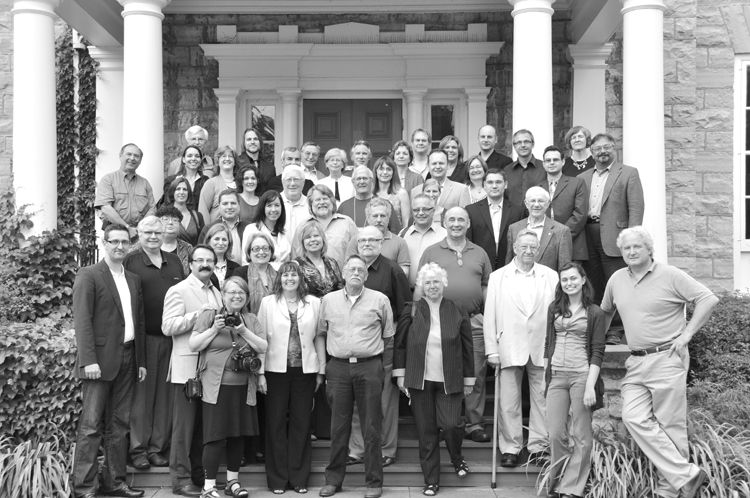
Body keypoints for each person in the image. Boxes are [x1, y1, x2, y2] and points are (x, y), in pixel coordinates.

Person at [600, 227, 718, 498]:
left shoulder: (671, 275)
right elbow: (606, 311)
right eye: (626, 248)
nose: (631, 252)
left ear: (648, 249)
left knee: (669, 425)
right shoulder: (617, 279)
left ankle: (670, 491)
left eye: (636, 247)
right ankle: (686, 475)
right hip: (636, 360)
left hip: (666, 357)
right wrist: (597, 343)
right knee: (632, 416)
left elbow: (708, 299)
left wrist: (687, 334)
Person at [72, 224, 147, 498]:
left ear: (130, 245)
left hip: (128, 358)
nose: (119, 246)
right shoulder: (89, 275)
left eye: (124, 241)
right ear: (104, 243)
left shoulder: (134, 279)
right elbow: (82, 321)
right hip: (99, 362)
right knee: (91, 426)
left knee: (120, 425)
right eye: (113, 241)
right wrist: (88, 360)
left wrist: (141, 361)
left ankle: (114, 482)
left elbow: (137, 321)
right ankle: (84, 488)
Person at [317, 255, 395, 498]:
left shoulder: (380, 300)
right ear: (343, 273)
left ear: (366, 275)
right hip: (338, 368)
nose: (356, 273)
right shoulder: (328, 301)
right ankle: (333, 481)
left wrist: (381, 365)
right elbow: (321, 332)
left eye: (361, 269)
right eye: (351, 269)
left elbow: (388, 337)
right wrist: (324, 366)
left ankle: (373, 483)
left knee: (371, 427)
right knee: (338, 428)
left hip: (370, 367)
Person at [393, 263, 475, 496]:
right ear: (421, 285)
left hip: (449, 379)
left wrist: (469, 379)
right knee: (426, 432)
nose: (432, 286)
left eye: (436, 281)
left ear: (444, 284)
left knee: (451, 425)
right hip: (420, 380)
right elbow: (399, 345)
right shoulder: (412, 309)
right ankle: (431, 481)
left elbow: (468, 347)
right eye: (427, 282)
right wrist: (400, 376)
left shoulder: (457, 309)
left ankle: (457, 457)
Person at [416, 207, 492, 443]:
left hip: (474, 320)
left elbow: (487, 286)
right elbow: (421, 287)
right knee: (441, 372)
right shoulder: (431, 251)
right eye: (451, 219)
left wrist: (489, 319)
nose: (456, 223)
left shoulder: (480, 252)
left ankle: (474, 424)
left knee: (476, 372)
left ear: (468, 223)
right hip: (439, 321)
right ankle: (443, 423)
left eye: (461, 219)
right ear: (444, 223)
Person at [484, 229, 559, 468]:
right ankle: (511, 447)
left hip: (542, 347)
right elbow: (490, 316)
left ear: (538, 250)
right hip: (508, 345)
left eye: (533, 247)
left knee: (542, 399)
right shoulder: (498, 276)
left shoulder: (551, 275)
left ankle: (538, 447)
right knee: (508, 401)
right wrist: (491, 350)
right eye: (524, 246)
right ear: (515, 247)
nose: (528, 251)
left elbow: (557, 313)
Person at [189, 276, 268, 498]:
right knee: (214, 437)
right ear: (222, 295)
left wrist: (243, 330)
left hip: (244, 388)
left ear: (246, 297)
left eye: (241, 293)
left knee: (238, 436)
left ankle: (232, 482)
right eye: (232, 292)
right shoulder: (210, 315)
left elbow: (263, 346)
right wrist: (214, 328)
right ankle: (208, 486)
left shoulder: (250, 319)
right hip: (215, 388)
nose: (236, 296)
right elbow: (194, 344)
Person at [346, 226, 411, 469]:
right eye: (363, 240)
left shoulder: (392, 270)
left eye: (373, 240)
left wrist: (397, 342)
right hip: (355, 347)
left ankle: (386, 449)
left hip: (385, 346)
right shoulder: (353, 268)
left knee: (384, 401)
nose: (367, 244)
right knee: (356, 400)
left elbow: (405, 308)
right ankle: (357, 449)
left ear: (382, 243)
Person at [258, 262, 325, 494]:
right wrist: (259, 373)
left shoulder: (314, 303)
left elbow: (319, 337)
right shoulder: (268, 303)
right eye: (285, 275)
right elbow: (260, 339)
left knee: (301, 424)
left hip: (305, 371)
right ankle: (277, 480)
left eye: (293, 275)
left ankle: (298, 479)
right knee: (275, 424)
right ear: (280, 278)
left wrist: (321, 370)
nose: (289, 278)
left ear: (300, 279)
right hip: (275, 370)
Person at [124, 216, 185, 472]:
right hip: (144, 339)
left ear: (164, 234)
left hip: (172, 339)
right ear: (138, 233)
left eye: (157, 232)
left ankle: (157, 449)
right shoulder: (131, 261)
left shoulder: (175, 262)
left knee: (165, 397)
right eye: (147, 232)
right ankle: (138, 451)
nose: (152, 236)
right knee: (142, 397)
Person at [162, 245, 223, 497]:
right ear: (191, 263)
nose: (205, 264)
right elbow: (168, 326)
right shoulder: (178, 290)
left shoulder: (217, 292)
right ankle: (181, 478)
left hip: (210, 371)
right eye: (200, 260)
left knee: (202, 428)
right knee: (184, 429)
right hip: (187, 370)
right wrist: (198, 315)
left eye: (210, 260)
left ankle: (199, 475)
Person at [543, 262, 605, 498]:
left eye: (572, 278)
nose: (568, 283)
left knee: (581, 435)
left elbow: (598, 351)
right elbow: (548, 344)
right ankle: (556, 484)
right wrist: (544, 377)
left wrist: (590, 385)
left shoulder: (594, 312)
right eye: (564, 279)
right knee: (555, 433)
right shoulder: (554, 308)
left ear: (582, 280)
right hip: (556, 376)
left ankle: (572, 489)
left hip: (581, 376)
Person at [579, 133, 645, 345]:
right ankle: (597, 329)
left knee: (616, 283)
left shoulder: (628, 173)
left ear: (614, 148)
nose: (602, 151)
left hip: (616, 237)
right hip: (587, 234)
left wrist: (631, 239)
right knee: (592, 284)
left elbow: (636, 206)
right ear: (591, 152)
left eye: (606, 147)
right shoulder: (583, 177)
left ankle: (615, 329)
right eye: (597, 148)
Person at [466, 168, 525, 271]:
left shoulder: (518, 211)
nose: (494, 186)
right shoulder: (471, 211)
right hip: (479, 266)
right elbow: (468, 241)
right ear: (484, 185)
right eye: (490, 182)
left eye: (498, 182)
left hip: (510, 266)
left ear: (505, 184)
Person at [95, 143, 155, 239]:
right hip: (114, 233)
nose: (132, 158)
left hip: (139, 234)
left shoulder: (145, 183)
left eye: (136, 156)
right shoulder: (108, 180)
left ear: (140, 161)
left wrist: (140, 228)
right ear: (120, 156)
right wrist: (127, 228)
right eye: (129, 154)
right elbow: (106, 208)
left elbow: (152, 208)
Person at [539, 146, 589, 263]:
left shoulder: (577, 183)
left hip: (573, 244)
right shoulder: (538, 187)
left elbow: (580, 214)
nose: (551, 163)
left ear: (563, 162)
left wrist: (561, 237)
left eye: (555, 160)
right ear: (543, 164)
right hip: (544, 246)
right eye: (548, 160)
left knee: (570, 281)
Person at [506, 187, 572, 272]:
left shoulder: (562, 231)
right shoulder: (514, 228)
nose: (536, 205)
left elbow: (565, 269)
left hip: (548, 283)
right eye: (533, 201)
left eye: (541, 201)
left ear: (547, 204)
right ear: (526, 204)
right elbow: (509, 263)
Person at [294, 184, 358, 270]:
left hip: (343, 279)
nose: (322, 202)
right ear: (311, 204)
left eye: (325, 199)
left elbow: (357, 251)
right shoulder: (303, 226)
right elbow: (295, 256)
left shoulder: (347, 223)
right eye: (317, 200)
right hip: (310, 280)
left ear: (332, 201)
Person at [344, 197, 411, 276]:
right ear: (368, 218)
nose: (379, 220)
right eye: (375, 216)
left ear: (388, 218)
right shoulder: (356, 240)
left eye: (383, 216)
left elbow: (404, 273)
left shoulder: (400, 242)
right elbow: (349, 269)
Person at [399, 194, 447, 289]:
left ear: (433, 211)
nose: (420, 213)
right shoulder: (403, 234)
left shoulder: (444, 235)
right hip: (408, 292)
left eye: (425, 209)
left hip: (435, 293)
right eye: (416, 210)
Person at [338, 166, 401, 233]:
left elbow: (395, 232)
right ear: (353, 182)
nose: (362, 182)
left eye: (365, 178)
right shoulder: (344, 207)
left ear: (372, 181)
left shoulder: (384, 204)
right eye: (358, 179)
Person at [293, 219, 346, 299]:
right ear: (302, 242)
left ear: (323, 239)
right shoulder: (296, 265)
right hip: (310, 309)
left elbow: (340, 288)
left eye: (316, 236)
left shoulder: (332, 262)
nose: (313, 240)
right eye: (308, 237)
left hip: (333, 309)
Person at [241, 190, 292, 269]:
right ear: (262, 208)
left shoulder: (285, 232)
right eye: (269, 205)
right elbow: (246, 261)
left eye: (277, 205)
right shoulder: (252, 229)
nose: (273, 209)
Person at [233, 232, 279, 315]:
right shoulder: (240, 273)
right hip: (247, 323)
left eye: (265, 248)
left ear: (271, 251)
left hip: (275, 322)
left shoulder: (279, 275)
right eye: (256, 249)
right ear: (249, 253)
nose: (261, 252)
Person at [199, 190, 250, 265]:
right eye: (225, 204)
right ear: (219, 207)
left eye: (233, 203)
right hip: (217, 272)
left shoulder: (249, 228)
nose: (229, 207)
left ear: (239, 206)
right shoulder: (209, 229)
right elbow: (200, 254)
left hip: (245, 273)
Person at [503, 130, 546, 207]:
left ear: (533, 144)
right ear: (514, 146)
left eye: (526, 142)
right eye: (519, 142)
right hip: (513, 218)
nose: (523, 145)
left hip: (538, 215)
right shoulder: (506, 171)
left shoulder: (544, 168)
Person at [163, 145, 210, 214]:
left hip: (199, 221)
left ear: (200, 160)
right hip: (176, 219)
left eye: (197, 156)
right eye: (189, 156)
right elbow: (168, 203)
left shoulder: (206, 181)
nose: (193, 158)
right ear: (183, 159)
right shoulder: (171, 180)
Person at [199, 145, 239, 224]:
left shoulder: (241, 184)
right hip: (217, 233)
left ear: (235, 162)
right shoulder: (211, 183)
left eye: (230, 156)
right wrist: (208, 232)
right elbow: (203, 213)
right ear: (217, 161)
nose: (227, 159)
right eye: (223, 156)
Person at [162, 176, 204, 246]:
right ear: (173, 192)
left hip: (193, 255)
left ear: (189, 193)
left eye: (185, 189)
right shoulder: (164, 215)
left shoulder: (197, 216)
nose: (181, 192)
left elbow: (202, 241)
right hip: (171, 255)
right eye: (178, 189)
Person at [372, 156, 411, 228]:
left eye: (389, 169)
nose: (385, 172)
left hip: (396, 236)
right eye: (381, 169)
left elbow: (406, 223)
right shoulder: (371, 194)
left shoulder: (401, 193)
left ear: (393, 172)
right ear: (376, 171)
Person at [156, 205, 194, 277]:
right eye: (166, 219)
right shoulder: (149, 244)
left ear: (179, 225)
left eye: (175, 220)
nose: (170, 222)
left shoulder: (187, 248)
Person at [204, 223, 241, 289]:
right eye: (217, 239)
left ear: (229, 243)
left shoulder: (237, 268)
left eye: (224, 239)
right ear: (208, 241)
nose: (221, 243)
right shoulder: (200, 266)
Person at [281, 165, 310, 242]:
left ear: (303, 182)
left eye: (296, 180)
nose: (292, 183)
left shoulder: (311, 205)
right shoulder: (274, 203)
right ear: (283, 182)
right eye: (289, 180)